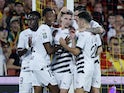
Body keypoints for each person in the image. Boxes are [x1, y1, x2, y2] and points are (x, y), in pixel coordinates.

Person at [59, 11, 98, 93]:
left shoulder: (84, 35)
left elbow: (76, 52)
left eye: (78, 21)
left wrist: (64, 45)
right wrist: (73, 39)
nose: (77, 23)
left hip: (83, 66)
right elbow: (99, 49)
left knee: (79, 91)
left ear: (82, 22)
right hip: (90, 65)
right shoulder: (94, 34)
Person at [23, 11, 59, 93]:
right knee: (55, 90)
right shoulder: (44, 28)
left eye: (53, 16)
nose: (52, 18)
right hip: (40, 65)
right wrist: (61, 45)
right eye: (49, 16)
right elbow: (49, 50)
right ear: (43, 18)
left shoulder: (38, 31)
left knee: (38, 89)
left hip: (33, 64)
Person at [51, 9, 74, 93]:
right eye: (65, 18)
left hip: (67, 70)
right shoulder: (54, 32)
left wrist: (65, 45)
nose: (68, 21)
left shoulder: (72, 33)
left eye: (70, 19)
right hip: (54, 68)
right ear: (61, 19)